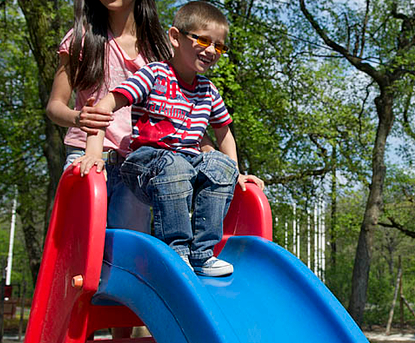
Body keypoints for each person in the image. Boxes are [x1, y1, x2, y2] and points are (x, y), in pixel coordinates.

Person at [78, 1, 263, 277]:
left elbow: (224, 134)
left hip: (186, 164)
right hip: (145, 164)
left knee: (220, 166)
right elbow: (106, 105)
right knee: (174, 165)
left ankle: (202, 253)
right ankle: (176, 251)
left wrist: (235, 171)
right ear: (175, 37)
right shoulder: (154, 75)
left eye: (219, 46)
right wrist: (94, 152)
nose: (212, 50)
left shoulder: (208, 91)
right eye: (202, 40)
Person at [46, 0, 182, 233]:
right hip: (85, 157)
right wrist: (79, 117)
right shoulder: (81, 38)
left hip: (137, 165)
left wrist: (207, 147)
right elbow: (54, 106)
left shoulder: (161, 48)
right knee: (81, 245)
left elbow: (179, 109)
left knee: (127, 252)